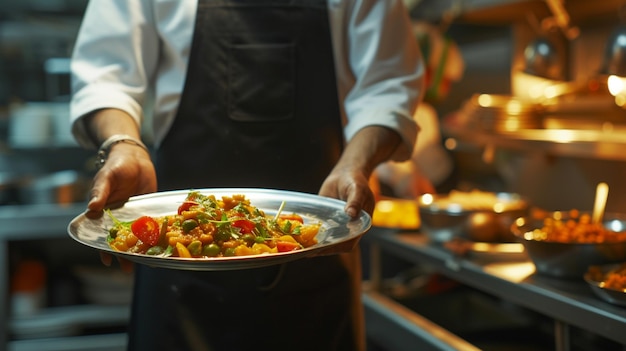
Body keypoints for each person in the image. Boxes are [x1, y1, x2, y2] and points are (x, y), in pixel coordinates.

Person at [69, 1, 423, 350]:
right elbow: (105, 75)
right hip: (175, 270)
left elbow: (388, 85)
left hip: (318, 254)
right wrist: (123, 143)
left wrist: (355, 164)